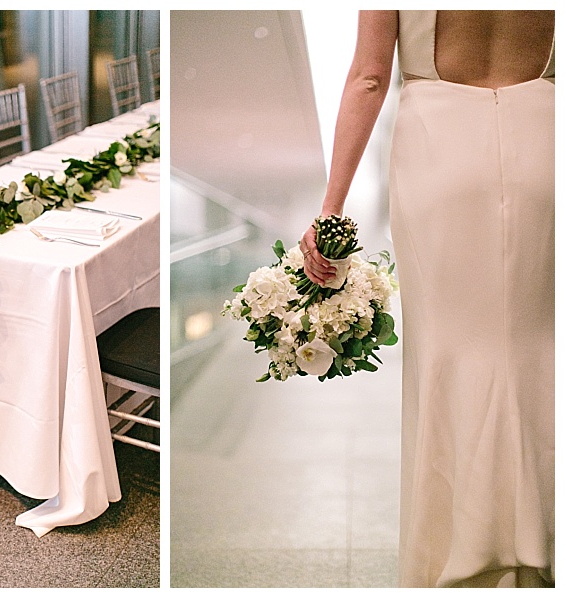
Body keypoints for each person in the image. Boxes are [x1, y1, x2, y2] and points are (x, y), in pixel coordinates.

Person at [300, 10, 554, 588]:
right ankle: (541, 542)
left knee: (445, 354)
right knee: (540, 351)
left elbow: (369, 77)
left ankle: (455, 553)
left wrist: (330, 209)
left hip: (439, 152)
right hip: (545, 142)